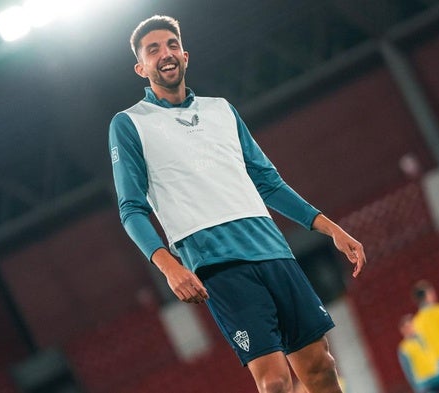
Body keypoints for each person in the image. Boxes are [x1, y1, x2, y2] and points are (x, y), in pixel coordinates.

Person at [108, 15, 367, 393]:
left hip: (273, 251)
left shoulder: (222, 110)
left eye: (171, 45)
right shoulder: (129, 123)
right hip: (218, 264)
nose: (165, 54)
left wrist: (331, 229)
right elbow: (131, 209)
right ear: (140, 67)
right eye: (153, 49)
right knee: (275, 382)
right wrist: (168, 266)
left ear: (185, 55)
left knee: (321, 368)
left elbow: (268, 182)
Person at [397, 314, 439, 393]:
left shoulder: (426, 337)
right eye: (407, 327)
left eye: (412, 325)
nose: (411, 328)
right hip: (424, 383)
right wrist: (416, 387)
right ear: (402, 330)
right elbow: (408, 370)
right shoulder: (404, 348)